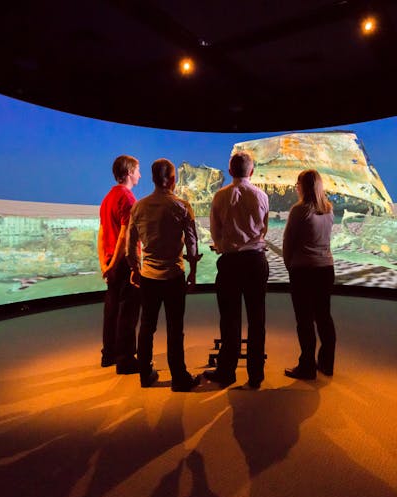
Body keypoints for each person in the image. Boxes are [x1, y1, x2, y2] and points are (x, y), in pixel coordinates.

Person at [126, 158, 202, 392]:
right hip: (174, 275)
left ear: (152, 178)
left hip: (149, 276)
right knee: (175, 327)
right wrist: (193, 272)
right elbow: (192, 243)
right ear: (172, 179)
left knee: (147, 326)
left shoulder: (139, 207)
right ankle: (179, 377)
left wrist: (135, 269)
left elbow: (130, 245)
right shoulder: (182, 206)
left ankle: (144, 374)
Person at [204, 151, 269, 389]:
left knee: (230, 319)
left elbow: (215, 232)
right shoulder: (261, 195)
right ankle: (255, 374)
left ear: (230, 171)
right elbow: (263, 229)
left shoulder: (220, 196)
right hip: (255, 261)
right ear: (252, 171)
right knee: (257, 319)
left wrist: (222, 245)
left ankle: (227, 371)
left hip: (230, 263)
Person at [282, 169, 337, 379]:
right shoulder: (329, 210)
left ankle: (307, 366)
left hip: (304, 270)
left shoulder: (299, 210)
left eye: (297, 184)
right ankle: (327, 363)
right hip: (326, 268)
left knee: (304, 320)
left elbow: (288, 242)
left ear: (303, 187)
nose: (296, 188)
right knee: (324, 317)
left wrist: (289, 265)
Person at [98, 155, 141, 374]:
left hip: (110, 262)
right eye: (138, 170)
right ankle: (125, 359)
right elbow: (125, 236)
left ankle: (109, 354)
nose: (140, 175)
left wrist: (104, 264)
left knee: (112, 309)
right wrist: (119, 263)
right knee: (128, 311)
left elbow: (102, 233)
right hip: (123, 261)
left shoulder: (107, 198)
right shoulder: (127, 198)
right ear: (130, 172)